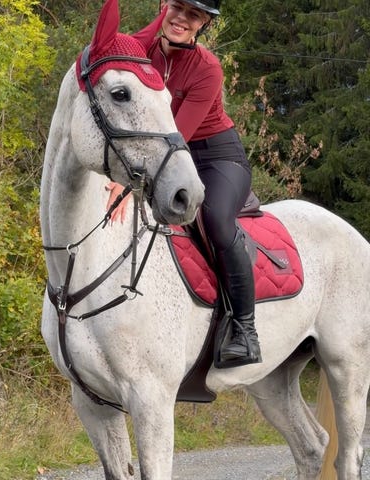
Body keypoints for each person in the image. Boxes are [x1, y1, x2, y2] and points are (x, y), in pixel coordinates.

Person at [106, 0, 261, 368]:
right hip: (161, 152)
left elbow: (178, 136)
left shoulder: (208, 68)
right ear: (164, 4)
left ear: (203, 24)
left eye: (194, 15)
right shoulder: (138, 49)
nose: (181, 19)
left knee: (216, 220)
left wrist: (126, 185)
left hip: (214, 156)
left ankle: (245, 328)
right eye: (177, 6)